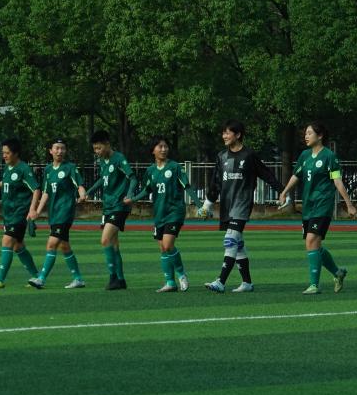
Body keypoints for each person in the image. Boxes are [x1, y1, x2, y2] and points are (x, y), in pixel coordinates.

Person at [197, 119, 284, 293]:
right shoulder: (221, 156)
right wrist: (207, 205)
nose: (224, 136)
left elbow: (266, 174)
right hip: (227, 206)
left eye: (227, 133)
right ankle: (247, 283)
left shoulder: (249, 155)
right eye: (223, 133)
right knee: (238, 244)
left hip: (242, 204)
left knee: (230, 240)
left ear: (238, 135)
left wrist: (282, 191)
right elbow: (215, 183)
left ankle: (220, 281)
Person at [278, 121, 357, 294]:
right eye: (305, 133)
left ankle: (314, 285)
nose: (306, 136)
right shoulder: (304, 155)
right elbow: (296, 175)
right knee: (314, 245)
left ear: (320, 136)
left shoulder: (329, 156)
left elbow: (337, 181)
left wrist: (349, 204)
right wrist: (284, 192)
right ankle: (338, 272)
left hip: (322, 205)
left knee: (311, 240)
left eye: (309, 133)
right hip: (308, 206)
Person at [126, 137, 202, 292]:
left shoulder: (175, 167)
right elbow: (147, 189)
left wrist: (200, 206)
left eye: (165, 146)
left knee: (168, 245)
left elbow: (187, 186)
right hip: (159, 214)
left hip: (175, 211)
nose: (163, 149)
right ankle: (170, 283)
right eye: (160, 146)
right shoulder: (150, 171)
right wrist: (132, 199)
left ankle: (181, 274)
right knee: (163, 248)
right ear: (153, 151)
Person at [0, 138, 42, 289]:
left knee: (7, 241)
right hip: (8, 214)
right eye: (3, 153)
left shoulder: (24, 169)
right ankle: (37, 277)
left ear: (16, 153)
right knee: (18, 246)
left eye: (7, 153)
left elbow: (36, 189)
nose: (4, 155)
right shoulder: (8, 167)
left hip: (19, 213)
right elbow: (7, 181)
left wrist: (32, 209)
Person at [28, 139, 87, 290]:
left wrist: (82, 194)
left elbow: (79, 185)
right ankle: (78, 279)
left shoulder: (70, 167)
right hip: (53, 213)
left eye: (62, 148)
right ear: (50, 151)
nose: (60, 151)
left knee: (51, 244)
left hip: (65, 212)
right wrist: (37, 211)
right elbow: (46, 192)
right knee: (64, 247)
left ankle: (41, 278)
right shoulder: (48, 170)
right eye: (57, 148)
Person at [84, 130, 136, 290]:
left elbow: (133, 178)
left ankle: (113, 277)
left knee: (105, 240)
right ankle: (121, 280)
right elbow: (102, 179)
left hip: (119, 206)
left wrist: (129, 194)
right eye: (95, 149)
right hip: (108, 206)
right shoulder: (102, 161)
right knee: (114, 245)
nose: (97, 151)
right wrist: (89, 191)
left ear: (107, 144)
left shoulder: (119, 159)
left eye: (99, 148)